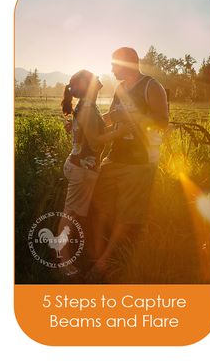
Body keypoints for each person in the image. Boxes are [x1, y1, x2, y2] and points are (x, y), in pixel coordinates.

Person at [90, 47, 169, 277]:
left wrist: (133, 118)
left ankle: (104, 263)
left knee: (127, 215)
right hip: (114, 156)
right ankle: (96, 254)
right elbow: (112, 116)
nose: (112, 69)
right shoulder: (121, 88)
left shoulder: (151, 87)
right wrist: (84, 124)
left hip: (140, 161)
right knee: (98, 203)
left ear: (128, 65)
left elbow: (162, 122)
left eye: (115, 64)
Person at [58, 70, 133, 277]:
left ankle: (79, 255)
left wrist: (115, 118)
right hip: (81, 170)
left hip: (83, 168)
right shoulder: (88, 108)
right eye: (95, 77)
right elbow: (95, 140)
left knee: (78, 215)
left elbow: (92, 129)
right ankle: (63, 260)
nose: (99, 79)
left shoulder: (88, 107)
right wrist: (123, 129)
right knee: (69, 215)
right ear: (88, 85)